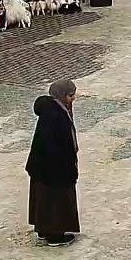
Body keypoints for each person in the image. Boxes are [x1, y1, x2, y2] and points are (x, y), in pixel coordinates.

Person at [26, 80, 80, 247]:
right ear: (62, 96)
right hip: (53, 168)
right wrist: (69, 169)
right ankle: (55, 234)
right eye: (70, 95)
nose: (73, 99)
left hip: (41, 166)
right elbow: (60, 146)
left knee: (43, 199)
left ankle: (43, 228)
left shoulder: (52, 110)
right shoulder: (57, 116)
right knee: (55, 200)